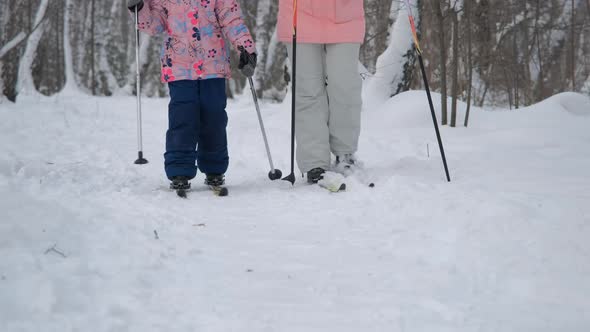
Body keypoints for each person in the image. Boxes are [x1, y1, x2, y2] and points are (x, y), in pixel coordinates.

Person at [126, 0, 257, 190]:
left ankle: (214, 168)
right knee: (183, 116)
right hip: (179, 66)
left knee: (214, 116)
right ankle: (179, 168)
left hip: (213, 65)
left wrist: (246, 48)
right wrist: (138, 8)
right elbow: (156, 24)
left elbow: (231, 18)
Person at [277, 0, 366, 183]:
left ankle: (345, 153)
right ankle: (314, 162)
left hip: (346, 14)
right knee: (308, 91)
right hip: (298, 14)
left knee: (344, 86)